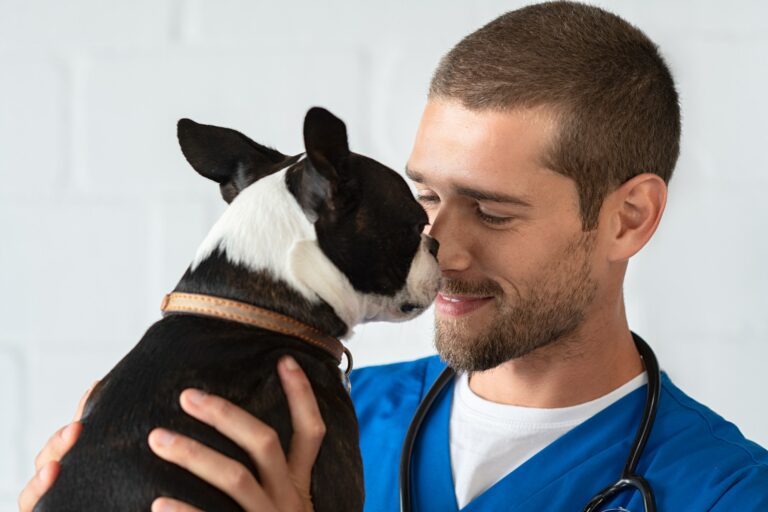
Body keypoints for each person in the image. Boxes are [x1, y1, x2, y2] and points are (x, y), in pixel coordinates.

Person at [19, 2, 768, 511]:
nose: (442, 245)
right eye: (427, 201)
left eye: (494, 208)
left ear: (628, 219)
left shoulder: (729, 492)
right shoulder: (299, 413)